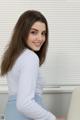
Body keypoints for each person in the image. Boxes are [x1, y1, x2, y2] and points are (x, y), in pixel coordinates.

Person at [0, 10, 56, 120]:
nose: (40, 38)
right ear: (22, 32)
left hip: (11, 114)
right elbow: (24, 103)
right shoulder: (30, 57)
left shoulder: (14, 55)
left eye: (43, 33)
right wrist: (52, 118)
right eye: (34, 32)